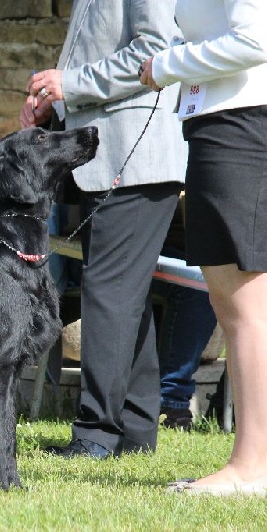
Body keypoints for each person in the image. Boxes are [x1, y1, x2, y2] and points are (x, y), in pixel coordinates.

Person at [19, 0, 187, 458]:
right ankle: (133, 431)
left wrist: (67, 84)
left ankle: (96, 434)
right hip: (113, 161)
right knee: (122, 296)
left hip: (135, 160)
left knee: (108, 293)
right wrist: (54, 109)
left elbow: (155, 51)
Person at [140, 0, 267, 495]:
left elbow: (256, 39)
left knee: (244, 308)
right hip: (230, 124)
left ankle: (252, 466)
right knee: (241, 307)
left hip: (240, 128)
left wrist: (166, 65)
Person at [152, 203, 218, 430]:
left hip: (200, 247)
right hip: (149, 242)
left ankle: (230, 406)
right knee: (199, 286)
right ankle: (170, 401)